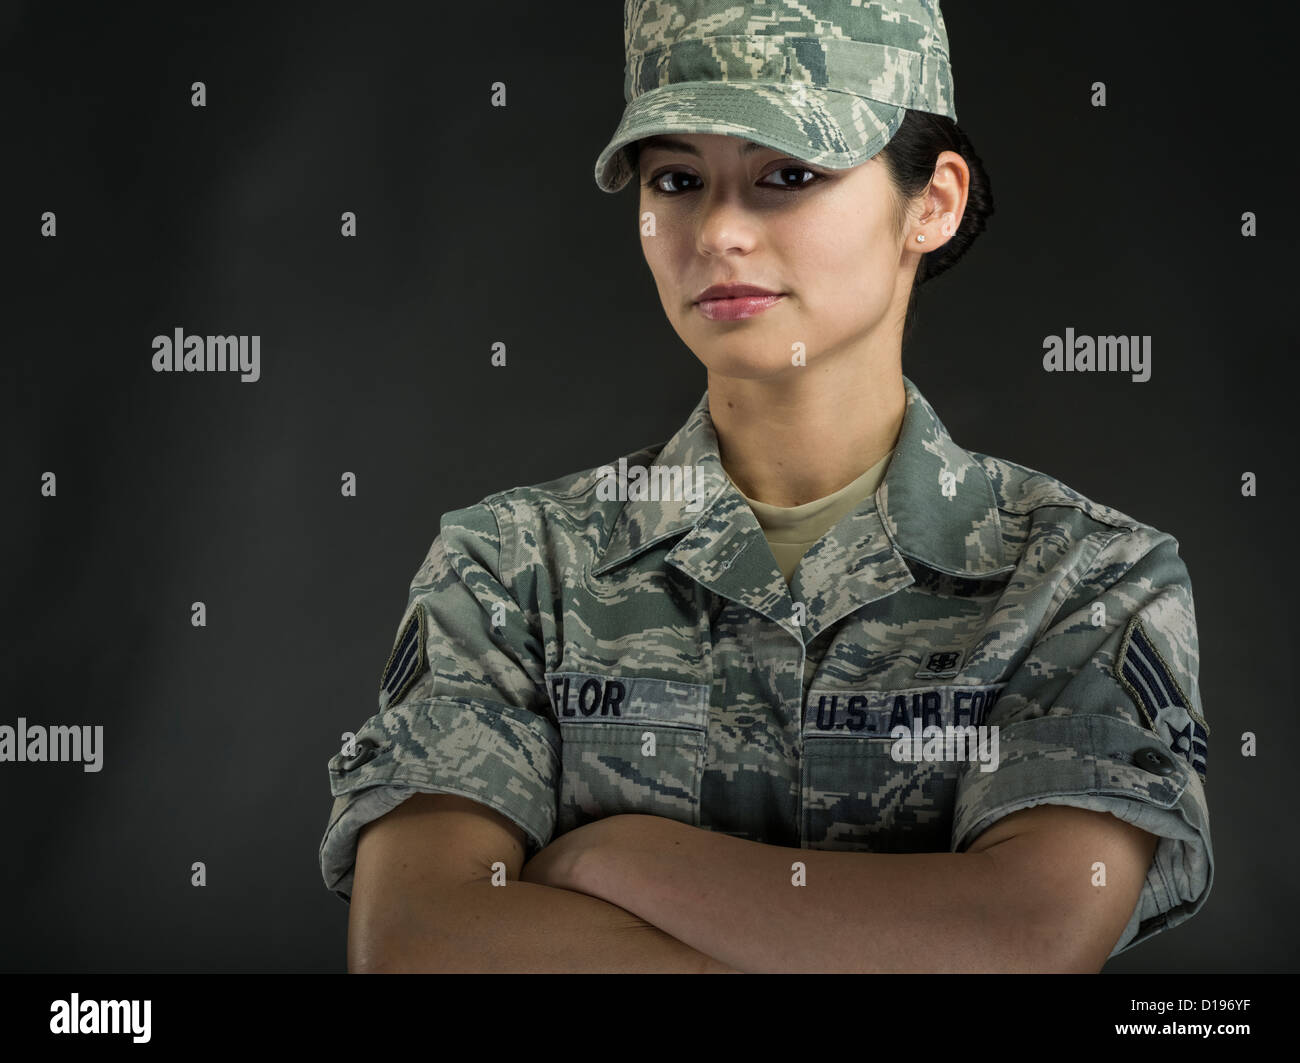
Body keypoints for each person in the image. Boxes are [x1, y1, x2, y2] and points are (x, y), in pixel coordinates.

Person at [319, 0, 1212, 973]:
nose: (720, 231)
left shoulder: (1079, 575)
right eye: (677, 177)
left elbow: (1021, 940)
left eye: (788, 173)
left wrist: (614, 854)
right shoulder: (511, 568)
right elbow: (419, 942)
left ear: (933, 201)